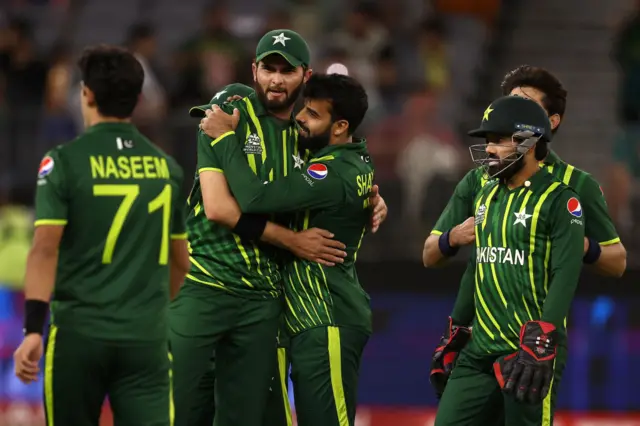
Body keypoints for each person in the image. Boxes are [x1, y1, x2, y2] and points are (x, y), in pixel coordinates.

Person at [170, 29, 387, 426]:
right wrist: (292, 240)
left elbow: (346, 159)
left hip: (266, 299)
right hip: (208, 283)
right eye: (268, 68)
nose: (276, 80)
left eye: (287, 71)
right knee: (182, 411)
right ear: (254, 70)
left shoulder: (306, 136)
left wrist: (371, 198)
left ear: (305, 76)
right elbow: (218, 208)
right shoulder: (231, 108)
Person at [424, 66, 626, 403]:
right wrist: (453, 238)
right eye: (508, 103)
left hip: (534, 342)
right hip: (478, 338)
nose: (510, 114)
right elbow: (430, 253)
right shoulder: (480, 180)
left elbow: (618, 262)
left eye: (526, 105)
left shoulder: (576, 185)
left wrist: (575, 243)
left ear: (551, 122)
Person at [12, 44, 189, 426]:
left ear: (86, 94)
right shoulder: (166, 168)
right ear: (138, 99)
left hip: (80, 337)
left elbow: (44, 251)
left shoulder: (62, 163)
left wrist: (32, 331)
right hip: (146, 339)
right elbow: (180, 262)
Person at [433, 95, 584, 426]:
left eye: (498, 141)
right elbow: (478, 264)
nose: (488, 149)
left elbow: (566, 271)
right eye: (488, 141)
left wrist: (543, 337)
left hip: (526, 353)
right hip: (478, 350)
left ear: (529, 142)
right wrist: (456, 326)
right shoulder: (486, 193)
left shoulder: (561, 200)